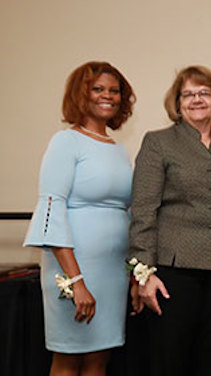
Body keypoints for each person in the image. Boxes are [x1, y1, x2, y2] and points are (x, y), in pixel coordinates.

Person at [23, 61, 135, 375]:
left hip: (112, 273)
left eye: (114, 91)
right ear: (80, 94)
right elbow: (52, 209)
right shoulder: (65, 142)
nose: (108, 96)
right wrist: (76, 281)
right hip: (73, 271)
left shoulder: (118, 150)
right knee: (69, 357)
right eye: (98, 89)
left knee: (100, 357)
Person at [128, 65, 211, 376]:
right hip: (174, 273)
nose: (197, 99)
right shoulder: (158, 142)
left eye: (204, 92)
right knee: (171, 359)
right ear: (177, 104)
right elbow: (143, 210)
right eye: (188, 94)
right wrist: (143, 275)